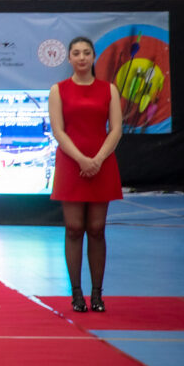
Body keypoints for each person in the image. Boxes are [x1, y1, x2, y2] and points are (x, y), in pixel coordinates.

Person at [48, 35, 123, 313]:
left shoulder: (108, 89)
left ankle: (97, 294)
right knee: (74, 228)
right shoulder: (58, 90)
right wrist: (81, 159)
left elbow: (116, 129)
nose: (81, 57)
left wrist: (98, 159)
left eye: (86, 53)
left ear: (93, 57)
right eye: (76, 53)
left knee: (97, 228)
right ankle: (77, 294)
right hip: (71, 164)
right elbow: (58, 131)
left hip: (102, 164)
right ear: (69, 58)